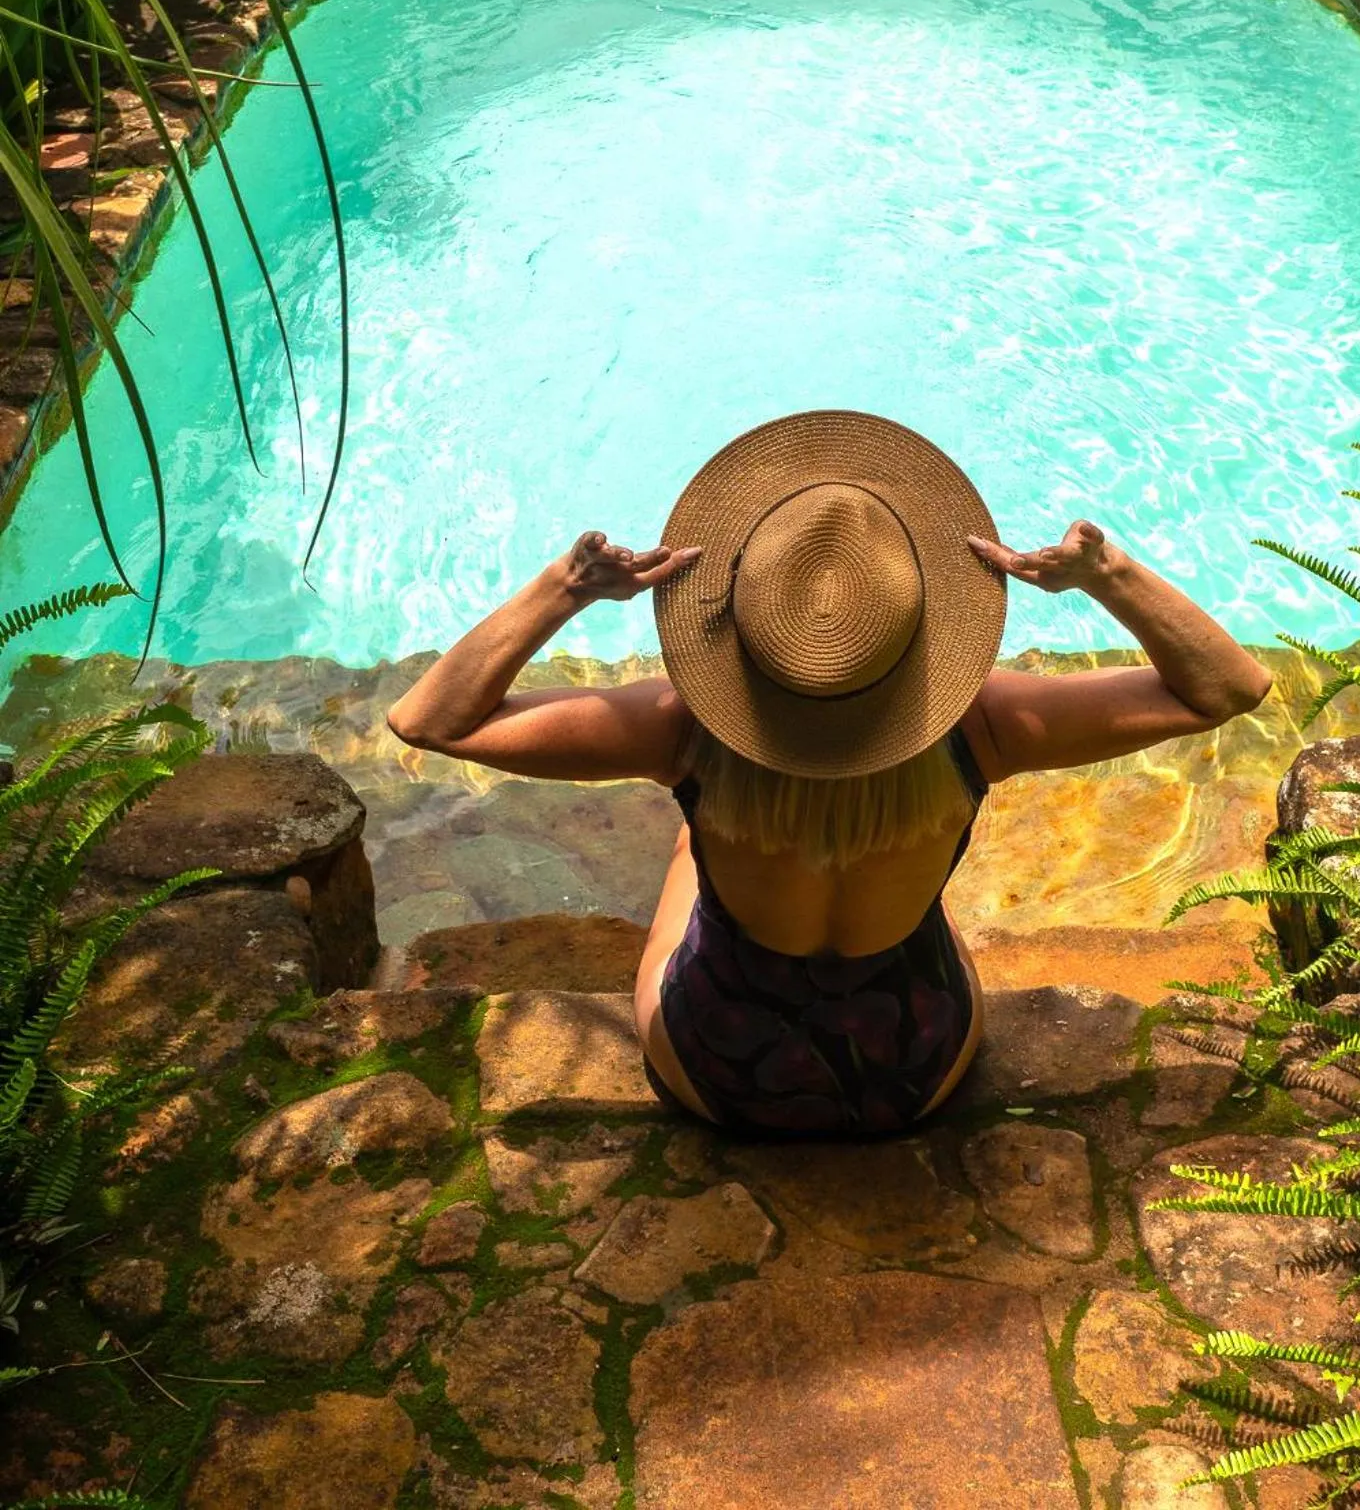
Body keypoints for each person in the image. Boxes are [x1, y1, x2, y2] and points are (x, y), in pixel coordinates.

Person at [388, 410, 1271, 1136]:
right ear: (920, 613)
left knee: (692, 850)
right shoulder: (986, 725)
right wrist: (1106, 573)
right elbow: (1227, 688)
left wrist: (567, 586)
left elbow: (431, 720)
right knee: (919, 887)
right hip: (915, 1071)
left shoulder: (680, 731)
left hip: (717, 1073)